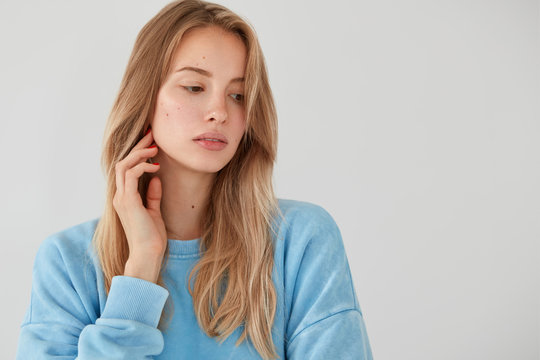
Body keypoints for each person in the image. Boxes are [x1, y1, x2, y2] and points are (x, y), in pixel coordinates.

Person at [15, 0, 373, 359]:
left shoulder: (300, 241)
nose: (219, 112)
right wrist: (141, 269)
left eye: (238, 95)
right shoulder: (67, 263)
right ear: (145, 98)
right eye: (194, 87)